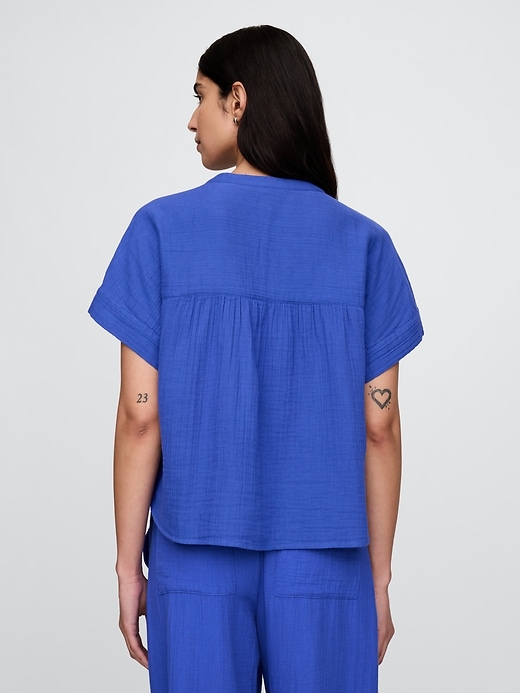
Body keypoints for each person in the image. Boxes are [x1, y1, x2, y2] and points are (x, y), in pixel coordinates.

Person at [89, 24, 423, 693]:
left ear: (237, 100)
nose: (192, 119)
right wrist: (378, 581)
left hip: (195, 554)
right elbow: (379, 426)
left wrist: (128, 570)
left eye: (200, 96)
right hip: (327, 559)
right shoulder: (365, 245)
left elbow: (140, 416)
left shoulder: (159, 230)